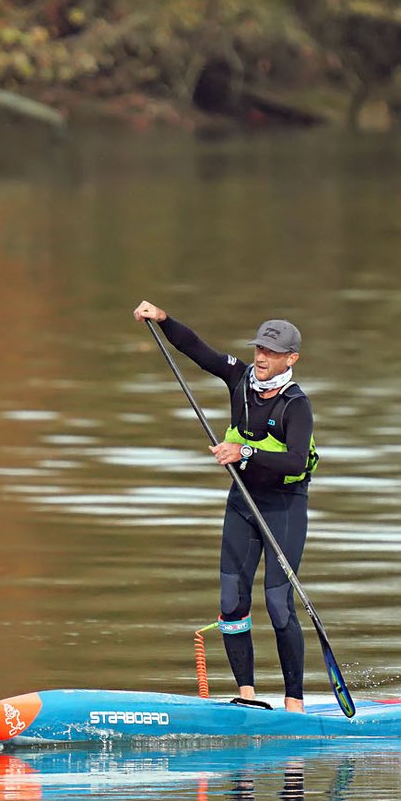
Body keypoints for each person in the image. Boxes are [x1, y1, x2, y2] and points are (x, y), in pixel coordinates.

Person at [132, 301, 319, 713]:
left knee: (276, 603)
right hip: (242, 503)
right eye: (259, 349)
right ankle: (247, 698)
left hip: (283, 506)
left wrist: (244, 450)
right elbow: (198, 350)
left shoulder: (296, 405)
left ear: (292, 358)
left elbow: (295, 461)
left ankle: (295, 704)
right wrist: (164, 320)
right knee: (231, 600)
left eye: (271, 353)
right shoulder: (239, 378)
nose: (262, 358)